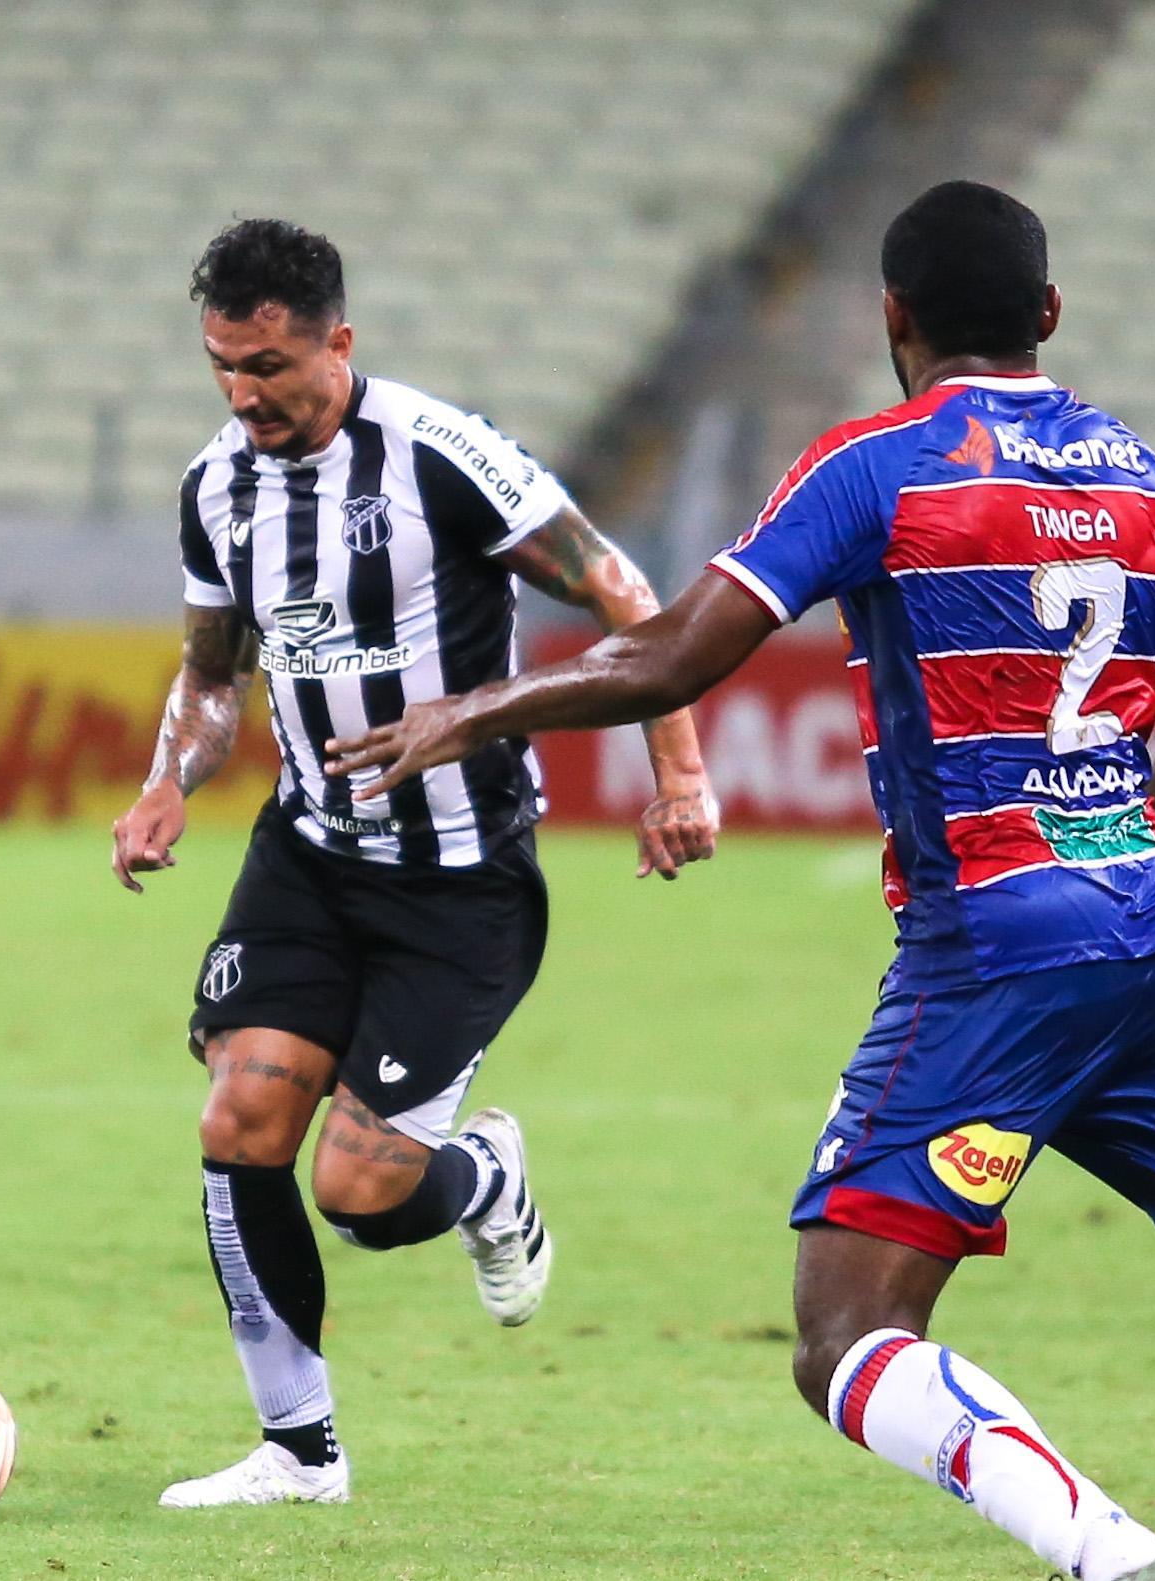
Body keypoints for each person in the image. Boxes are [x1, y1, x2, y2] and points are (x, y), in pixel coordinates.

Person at [329, 181, 1155, 1581]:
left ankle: (1126, 1561)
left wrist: (474, 709)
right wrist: (1100, 818)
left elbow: (673, 656)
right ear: (1047, 311)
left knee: (845, 1335)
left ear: (893, 314)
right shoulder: (1145, 477)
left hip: (996, 945)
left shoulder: (874, 466)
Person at [109, 219, 719, 1509]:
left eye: (269, 365)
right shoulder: (215, 486)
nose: (243, 394)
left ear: (338, 341)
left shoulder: (440, 456)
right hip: (309, 856)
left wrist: (678, 774)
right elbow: (212, 678)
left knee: (363, 1197)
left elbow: (625, 595)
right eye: (222, 365)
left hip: (459, 878)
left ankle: (484, 1176)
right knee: (238, 1121)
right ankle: (298, 1453)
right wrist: (170, 778)